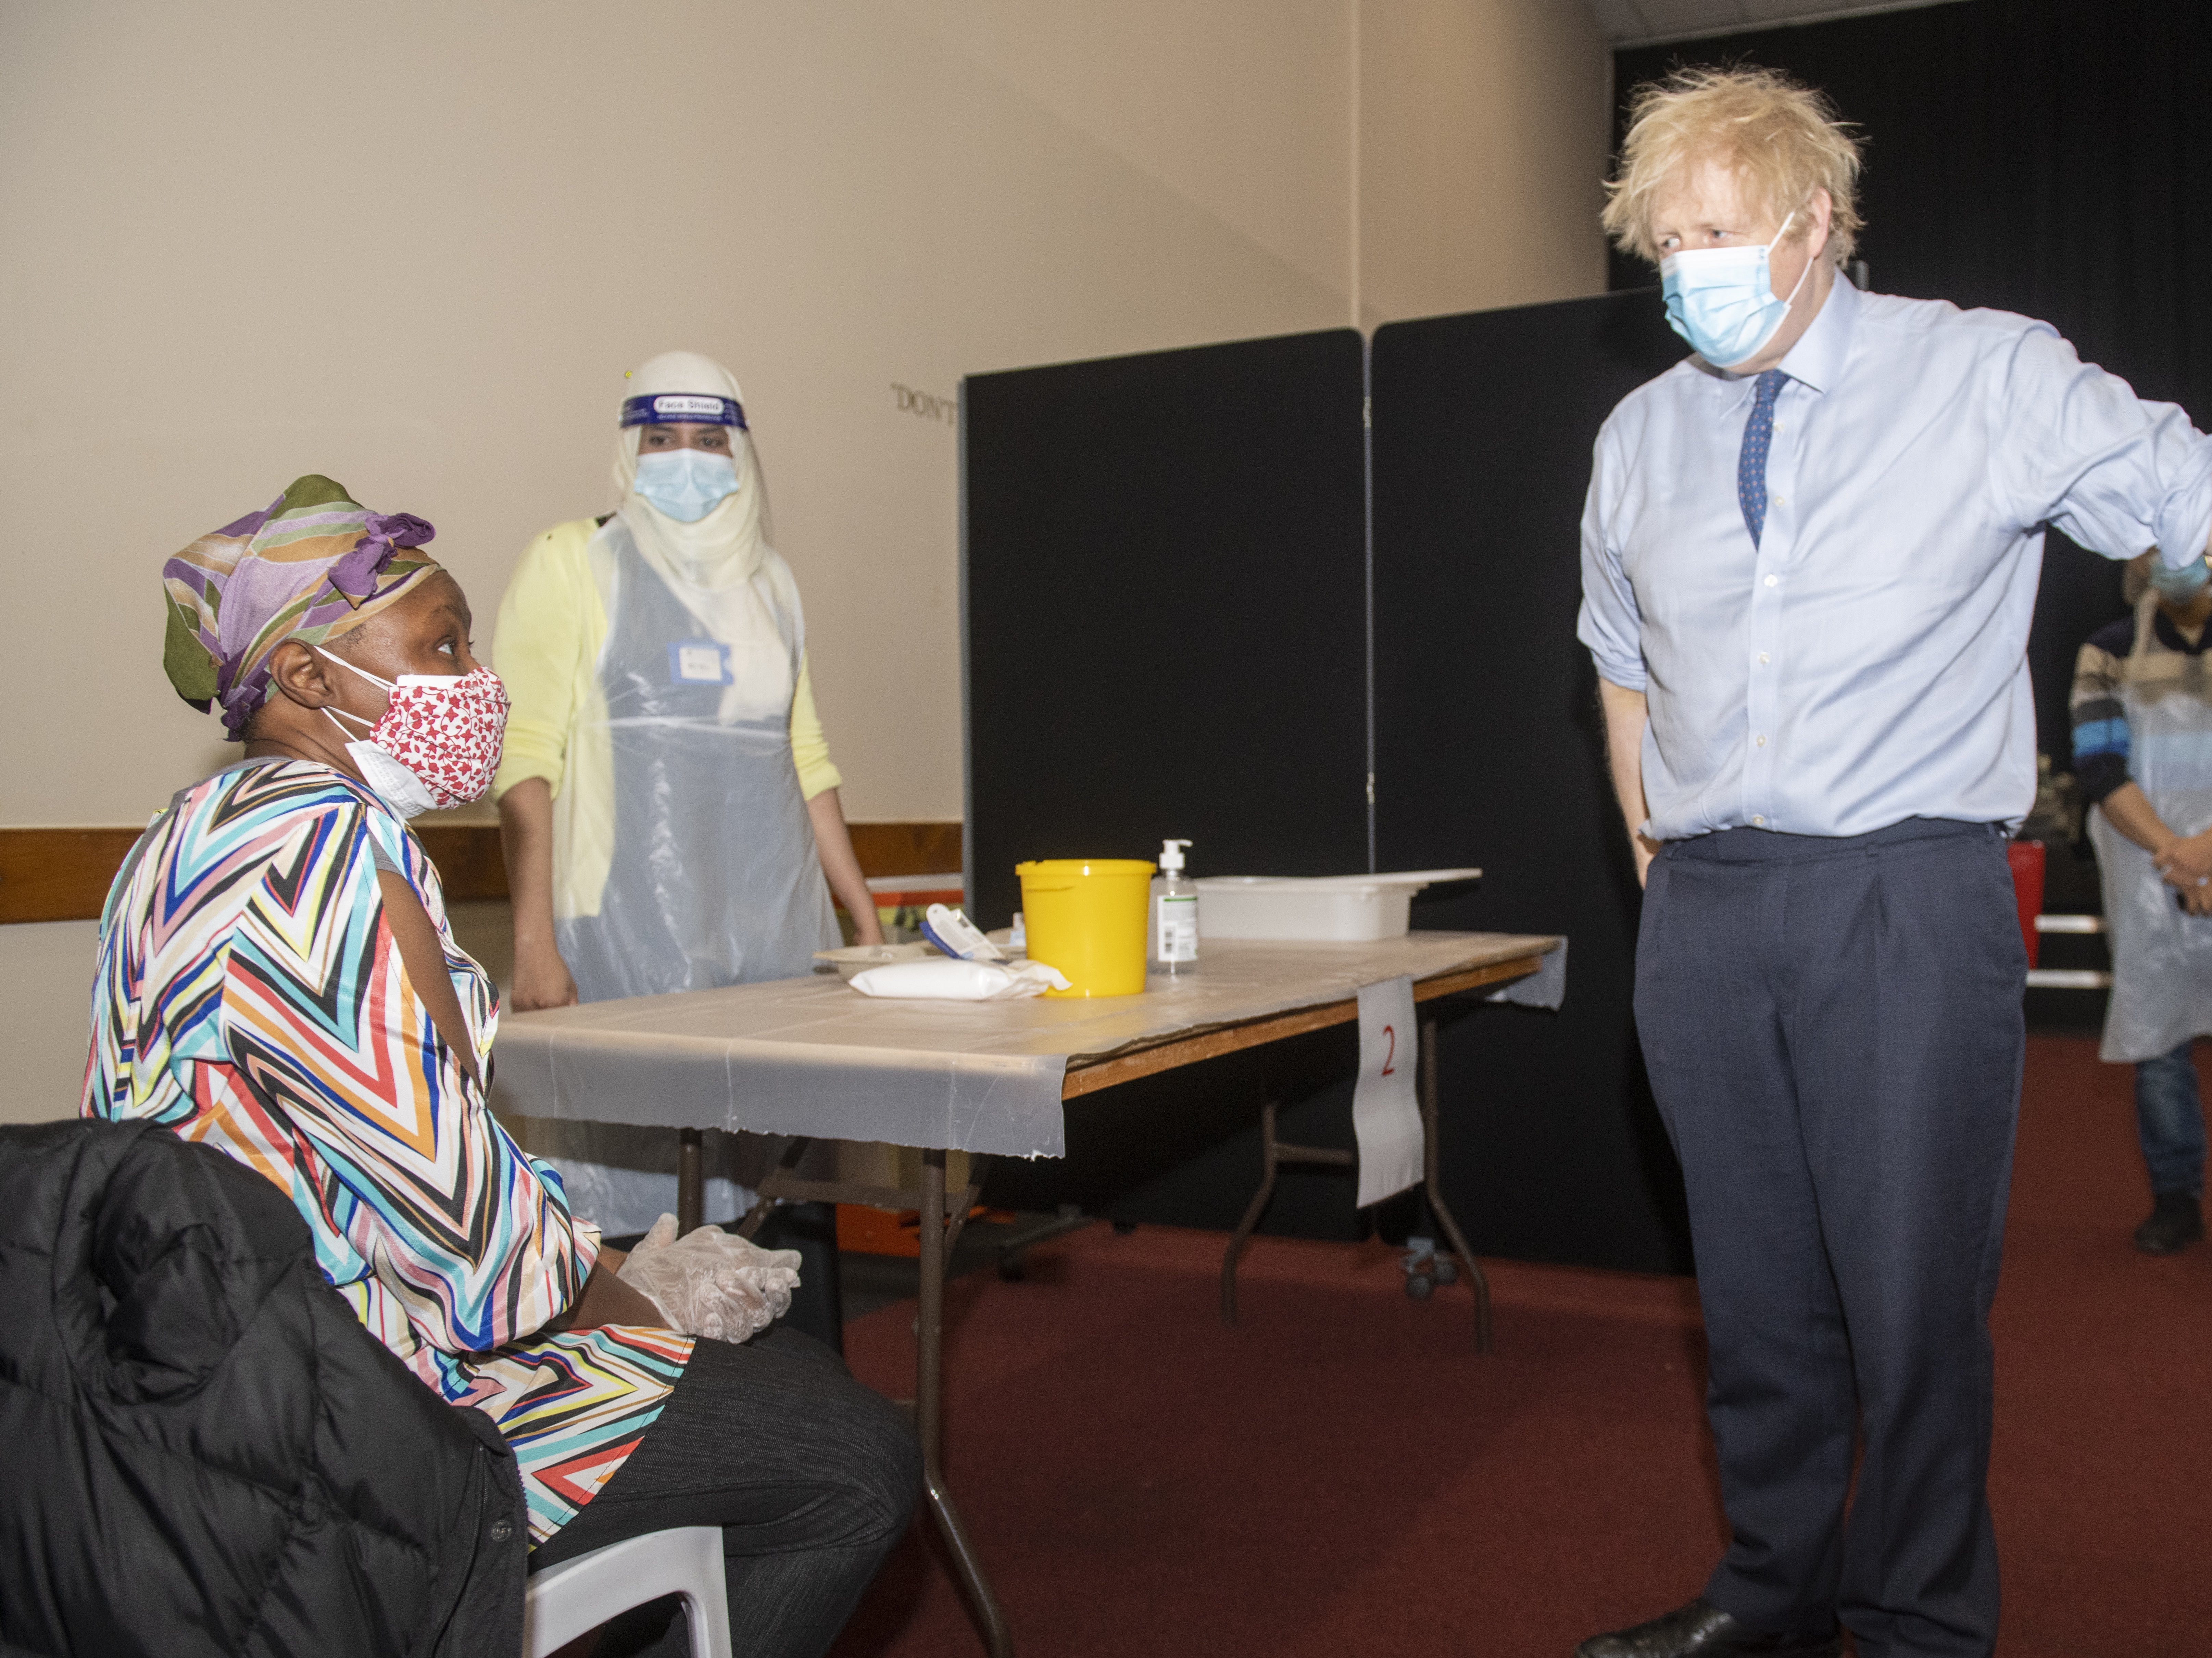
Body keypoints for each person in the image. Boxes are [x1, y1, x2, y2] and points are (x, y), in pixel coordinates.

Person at [1575, 67, 2212, 1658]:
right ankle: (1770, 1583)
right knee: (1754, 1293)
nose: (1685, 269)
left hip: (1902, 892)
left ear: (1814, 220)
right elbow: (1616, 653)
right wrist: (1649, 838)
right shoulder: (1639, 431)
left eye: (1712, 231)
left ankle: (1921, 1613)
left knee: (1908, 1298)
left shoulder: (1978, 372)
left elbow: (2189, 494)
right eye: (1661, 242)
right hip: (1708, 906)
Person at [90, 475, 916, 1658]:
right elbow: (471, 1246)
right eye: (442, 644)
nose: (479, 677)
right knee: (856, 1457)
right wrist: (647, 1303)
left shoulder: (183, 836)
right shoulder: (337, 857)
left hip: (188, 1374)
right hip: (350, 1413)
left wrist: (597, 1266)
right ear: (312, 678)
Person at [493, 351, 881, 1233]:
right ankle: (655, 1366)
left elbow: (804, 753)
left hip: (774, 930)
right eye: (660, 436)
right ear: (629, 446)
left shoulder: (770, 583)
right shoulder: (573, 561)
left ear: (741, 451)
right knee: (635, 1177)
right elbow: (524, 762)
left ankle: (787, 1368)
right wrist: (533, 945)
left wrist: (859, 918)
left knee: (773, 1173)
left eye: (709, 437)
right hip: (623, 930)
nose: (685, 458)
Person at [2070, 550, 2212, 1255]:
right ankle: (2175, 1194)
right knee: (2159, 1041)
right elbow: (2098, 764)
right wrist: (2177, 854)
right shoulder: (2107, 650)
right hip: (2148, 867)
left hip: (2192, 854)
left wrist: (2205, 848)